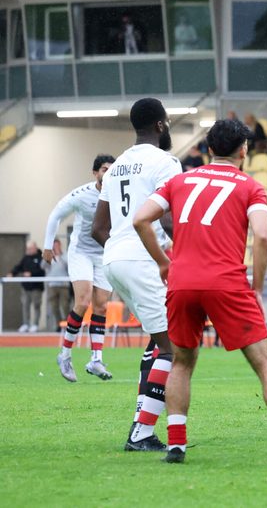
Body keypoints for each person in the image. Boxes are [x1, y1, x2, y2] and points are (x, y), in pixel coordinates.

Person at [132, 118, 267, 465]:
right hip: (226, 281)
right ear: (244, 150)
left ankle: (176, 446)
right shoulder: (250, 187)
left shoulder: (179, 181)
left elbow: (141, 218)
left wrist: (163, 262)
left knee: (181, 363)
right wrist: (257, 288)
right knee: (265, 362)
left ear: (209, 150)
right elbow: (261, 236)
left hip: (182, 282)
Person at [92, 97, 182, 452]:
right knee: (176, 348)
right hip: (143, 260)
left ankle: (142, 423)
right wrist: (188, 255)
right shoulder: (166, 162)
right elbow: (167, 220)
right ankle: (142, 433)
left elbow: (99, 227)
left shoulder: (116, 167)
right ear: (161, 125)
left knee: (157, 341)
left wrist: (121, 249)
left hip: (114, 259)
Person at [43, 153, 116, 381]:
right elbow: (56, 214)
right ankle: (65, 354)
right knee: (83, 302)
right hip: (81, 253)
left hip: (104, 253)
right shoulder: (82, 195)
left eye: (112, 169)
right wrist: (47, 246)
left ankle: (96, 360)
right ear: (95, 173)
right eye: (105, 169)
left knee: (102, 306)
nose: (108, 173)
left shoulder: (120, 194)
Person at [8, 241, 45, 333]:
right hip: (26, 287)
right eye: (27, 249)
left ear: (35, 248)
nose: (28, 250)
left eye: (30, 248)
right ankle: (26, 324)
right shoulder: (26, 258)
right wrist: (12, 273)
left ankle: (35, 324)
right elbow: (19, 267)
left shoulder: (41, 257)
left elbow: (42, 271)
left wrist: (31, 274)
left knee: (36, 306)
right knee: (25, 306)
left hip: (36, 287)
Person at [43, 239, 71, 332]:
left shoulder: (65, 256)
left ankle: (67, 324)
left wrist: (60, 256)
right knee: (54, 306)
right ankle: (59, 324)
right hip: (52, 284)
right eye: (54, 246)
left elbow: (69, 266)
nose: (56, 247)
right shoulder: (50, 256)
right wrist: (48, 256)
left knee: (65, 305)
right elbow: (43, 266)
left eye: (57, 245)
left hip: (64, 284)